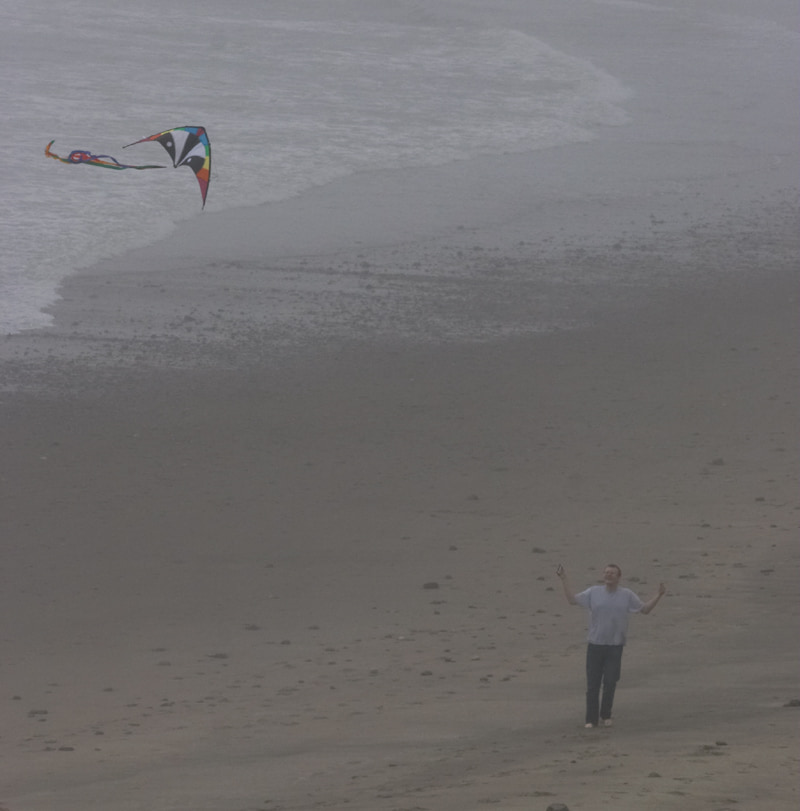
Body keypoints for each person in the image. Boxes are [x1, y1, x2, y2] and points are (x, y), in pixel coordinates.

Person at [556, 563, 666, 728]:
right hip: (595, 645)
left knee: (610, 681)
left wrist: (659, 595)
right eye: (606, 572)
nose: (608, 575)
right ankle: (590, 720)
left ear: (619, 577)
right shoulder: (593, 592)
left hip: (615, 646)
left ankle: (606, 714)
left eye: (612, 573)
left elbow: (644, 610)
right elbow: (572, 600)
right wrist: (564, 578)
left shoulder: (626, 595)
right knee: (592, 684)